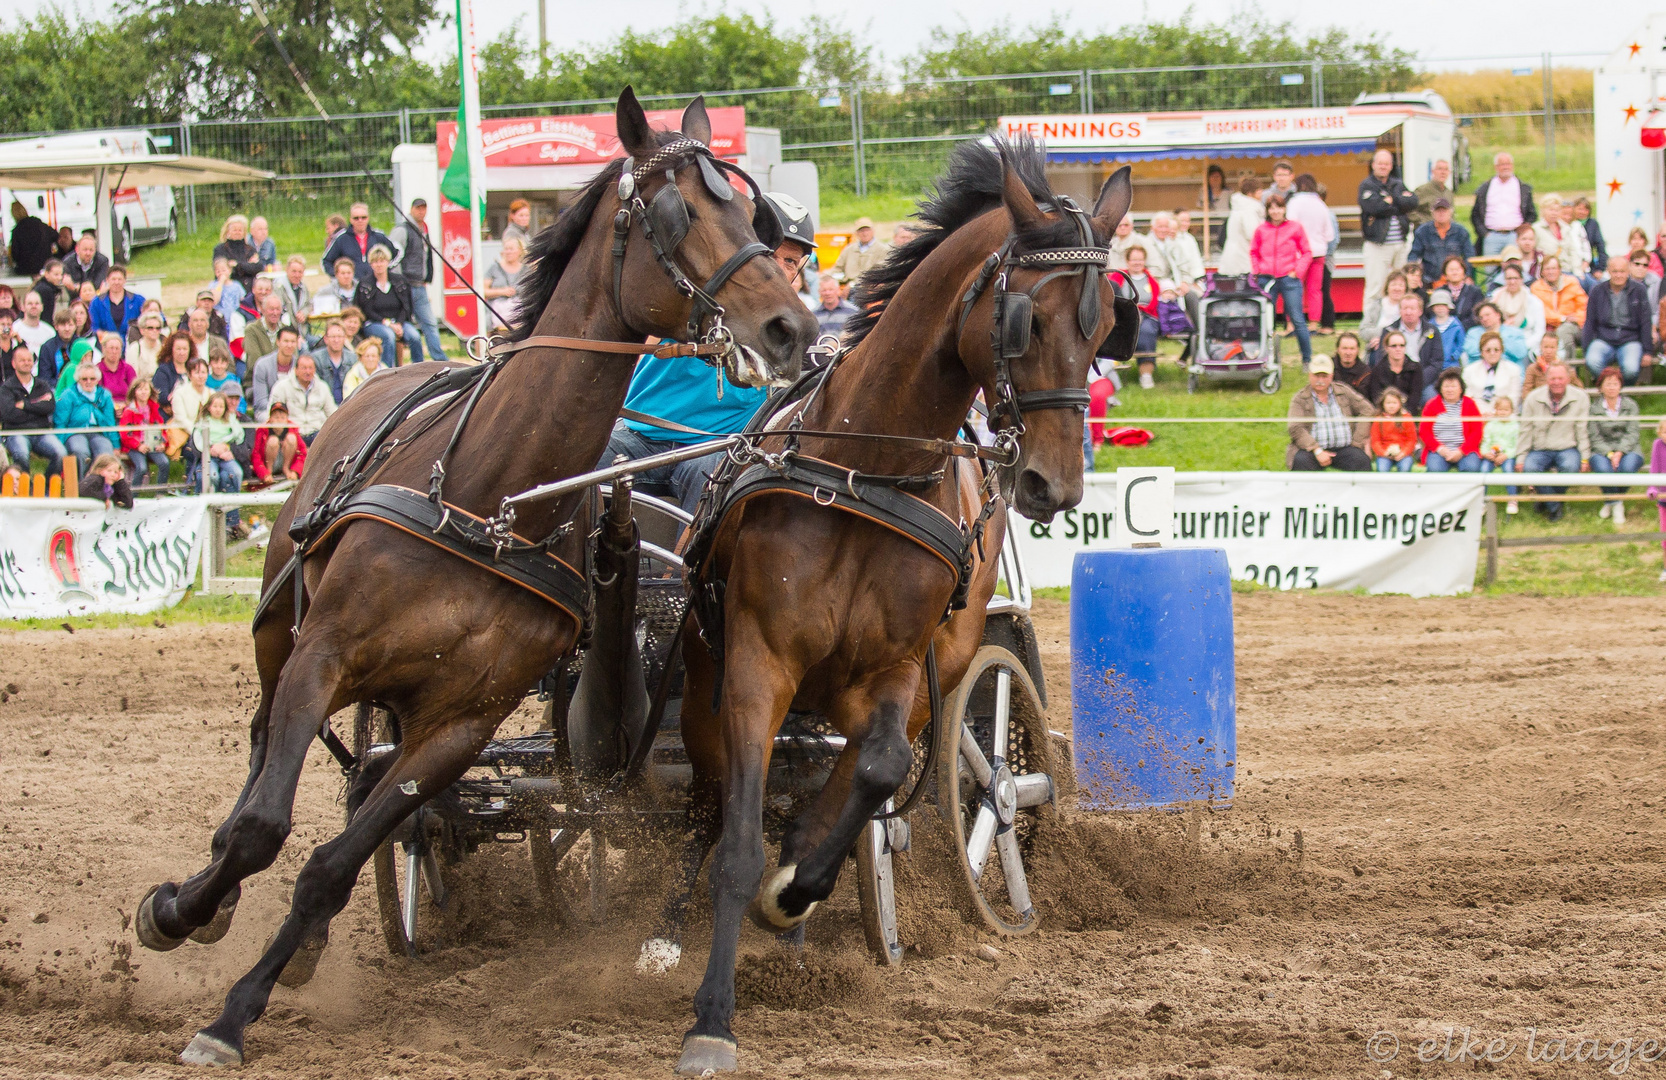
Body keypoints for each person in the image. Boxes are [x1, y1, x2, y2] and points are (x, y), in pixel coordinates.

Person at [1515, 361, 1589, 520]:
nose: (1557, 382)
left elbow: (1582, 430)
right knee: (1530, 468)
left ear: (1568, 379)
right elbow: (1525, 430)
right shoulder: (1532, 398)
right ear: (1547, 379)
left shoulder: (1580, 397)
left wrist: (1585, 458)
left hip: (1567, 447)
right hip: (1540, 448)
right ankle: (1555, 505)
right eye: (1553, 378)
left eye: (1561, 378)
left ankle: (1545, 499)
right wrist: (1521, 458)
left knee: (1570, 467)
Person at [1358, 149, 1419, 333]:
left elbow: (1413, 201)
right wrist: (1397, 204)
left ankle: (1401, 322)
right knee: (1375, 287)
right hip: (1377, 244)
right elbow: (1372, 206)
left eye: (1387, 163)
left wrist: (1392, 201)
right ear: (1374, 164)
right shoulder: (1366, 185)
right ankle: (1369, 327)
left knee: (1402, 286)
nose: (1383, 166)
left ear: (1391, 166)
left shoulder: (1397, 183)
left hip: (1400, 243)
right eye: (1380, 163)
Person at [1251, 194, 1313, 368]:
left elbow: (1307, 252)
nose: (1275, 211)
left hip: (1289, 278)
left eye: (1278, 207)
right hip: (1266, 279)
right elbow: (1254, 252)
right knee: (1264, 320)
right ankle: (1262, 356)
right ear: (1267, 210)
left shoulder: (1295, 228)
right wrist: (1257, 271)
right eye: (1271, 208)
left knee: (1297, 319)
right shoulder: (1261, 230)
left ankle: (1307, 359)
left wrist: (1298, 271)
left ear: (1284, 209)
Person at [1287, 355, 1371, 471]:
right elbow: (1295, 428)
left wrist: (1357, 441)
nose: (1320, 381)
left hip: (1345, 448)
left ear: (1331, 376)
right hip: (1312, 450)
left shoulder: (1343, 391)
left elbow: (1367, 410)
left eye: (1324, 376)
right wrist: (1316, 450)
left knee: (1361, 460)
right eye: (1316, 376)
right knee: (1301, 461)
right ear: (1309, 375)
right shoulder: (1299, 398)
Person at [390, 197, 444, 362]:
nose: (421, 211)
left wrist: (427, 279)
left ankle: (439, 359)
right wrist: (398, 282)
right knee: (406, 328)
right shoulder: (403, 229)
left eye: (423, 208)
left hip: (419, 285)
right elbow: (393, 257)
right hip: (405, 286)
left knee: (430, 324)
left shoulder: (423, 230)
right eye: (418, 208)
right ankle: (414, 362)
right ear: (412, 209)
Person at [1583, 255, 1652, 385]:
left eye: (1622, 271)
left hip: (1630, 339)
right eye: (1615, 271)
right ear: (1608, 271)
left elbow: (1645, 322)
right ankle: (1607, 387)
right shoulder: (1597, 291)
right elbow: (1590, 321)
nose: (1619, 275)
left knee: (1631, 369)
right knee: (1592, 361)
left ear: (1628, 272)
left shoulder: (1639, 290)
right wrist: (1586, 348)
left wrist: (1648, 351)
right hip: (1604, 339)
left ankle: (1619, 392)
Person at [1587, 366, 1643, 525]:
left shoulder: (1631, 405)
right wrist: (1610, 454)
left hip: (1628, 449)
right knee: (1604, 469)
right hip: (1602, 450)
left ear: (1620, 386)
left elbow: (1633, 433)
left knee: (1628, 468)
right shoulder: (1594, 408)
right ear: (1601, 386)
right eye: (1608, 383)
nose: (1612, 387)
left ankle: (1609, 501)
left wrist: (1619, 452)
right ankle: (1617, 504)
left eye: (1615, 383)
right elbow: (1594, 436)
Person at [0, 343, 65, 476]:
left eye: (29, 360)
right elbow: (9, 414)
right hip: (16, 433)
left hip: (41, 432)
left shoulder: (42, 385)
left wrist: (25, 405)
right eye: (22, 360)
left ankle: (47, 489)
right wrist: (37, 408)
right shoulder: (6, 388)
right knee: (21, 454)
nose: (26, 363)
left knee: (61, 453)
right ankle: (25, 489)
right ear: (13, 364)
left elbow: (49, 407)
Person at [354, 245, 423, 363]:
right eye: (375, 262)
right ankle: (388, 372)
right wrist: (388, 324)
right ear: (371, 264)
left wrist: (399, 324)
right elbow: (366, 310)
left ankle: (420, 369)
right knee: (388, 336)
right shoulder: (365, 284)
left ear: (388, 262)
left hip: (398, 322)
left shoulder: (400, 281)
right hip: (375, 323)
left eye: (382, 261)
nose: (379, 265)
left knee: (415, 336)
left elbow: (406, 306)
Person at [54, 362, 118, 479]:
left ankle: (102, 488)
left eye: (92, 379)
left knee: (105, 452)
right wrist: (61, 443)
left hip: (97, 432)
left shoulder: (104, 395)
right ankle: (81, 486)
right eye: (84, 379)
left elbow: (110, 423)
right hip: (75, 432)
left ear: (97, 380)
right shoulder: (68, 395)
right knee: (81, 452)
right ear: (78, 379)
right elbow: (60, 422)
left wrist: (116, 445)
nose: (88, 382)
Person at [1285, 176, 1333, 331]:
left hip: (1299, 254)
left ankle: (1292, 325)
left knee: (1293, 289)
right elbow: (1330, 234)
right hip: (1319, 252)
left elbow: (1290, 228)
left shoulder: (1294, 203)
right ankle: (1313, 324)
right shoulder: (1321, 204)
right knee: (1315, 290)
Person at [1470, 152, 1536, 257]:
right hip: (1491, 237)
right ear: (1496, 167)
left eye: (1508, 164)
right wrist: (1485, 234)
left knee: (1514, 268)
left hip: (1514, 236)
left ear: (1512, 166)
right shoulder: (1485, 188)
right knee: (1490, 271)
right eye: (1502, 164)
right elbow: (1475, 214)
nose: (1505, 167)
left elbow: (1532, 214)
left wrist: (1522, 232)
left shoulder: (1523, 188)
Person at [1419, 368, 1483, 472]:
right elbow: (1424, 432)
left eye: (1453, 386)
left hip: (1465, 450)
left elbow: (1477, 432)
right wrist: (1441, 449)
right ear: (1440, 388)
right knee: (1434, 469)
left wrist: (1461, 451)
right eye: (1446, 386)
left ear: (1461, 389)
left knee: (1471, 467)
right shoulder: (1431, 405)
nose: (1450, 390)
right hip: (1438, 451)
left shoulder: (1469, 404)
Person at [196, 391, 245, 525]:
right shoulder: (204, 421)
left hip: (225, 454)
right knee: (212, 476)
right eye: (215, 406)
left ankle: (233, 511)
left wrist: (227, 447)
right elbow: (197, 439)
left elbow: (239, 436)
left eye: (221, 406)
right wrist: (209, 449)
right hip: (209, 455)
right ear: (209, 407)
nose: (218, 410)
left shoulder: (230, 420)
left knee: (236, 473)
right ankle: (211, 511)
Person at [1117, 246, 1162, 388]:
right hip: (1123, 316)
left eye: (1140, 260)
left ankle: (1146, 374)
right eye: (1134, 260)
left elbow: (1155, 303)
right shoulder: (1118, 277)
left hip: (1147, 316)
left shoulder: (1151, 281)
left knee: (1146, 331)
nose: (1137, 263)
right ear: (1127, 261)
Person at [269, 352, 335, 443]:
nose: (308, 372)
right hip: (292, 432)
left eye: (310, 368)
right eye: (304, 368)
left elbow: (332, 413)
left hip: (316, 431)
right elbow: (273, 414)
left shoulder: (323, 387)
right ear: (296, 370)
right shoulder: (282, 387)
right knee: (290, 440)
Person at [1376, 293, 1443, 380]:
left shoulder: (1432, 331)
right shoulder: (1388, 331)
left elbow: (1437, 362)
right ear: (1400, 311)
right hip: (1394, 379)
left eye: (1412, 309)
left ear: (1420, 311)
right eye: (1405, 308)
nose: (1408, 312)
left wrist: (1420, 378)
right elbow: (1380, 359)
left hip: (1423, 379)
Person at [321, 202, 394, 282]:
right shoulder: (341, 238)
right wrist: (338, 276)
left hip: (376, 284)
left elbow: (397, 254)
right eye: (356, 218)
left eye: (363, 217)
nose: (360, 220)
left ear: (368, 218)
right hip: (352, 286)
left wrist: (385, 269)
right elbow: (326, 261)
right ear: (350, 220)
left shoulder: (379, 236)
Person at [1531, 256, 1586, 359]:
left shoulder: (1572, 283)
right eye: (1547, 269)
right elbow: (1542, 313)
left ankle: (1568, 369)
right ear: (1542, 272)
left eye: (1554, 268)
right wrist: (1562, 318)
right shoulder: (1536, 288)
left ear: (1559, 270)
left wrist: (1577, 319)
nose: (1551, 272)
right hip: (1547, 326)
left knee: (1564, 331)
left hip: (1573, 325)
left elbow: (1583, 306)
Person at [1408, 198, 1472, 284]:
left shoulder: (1461, 232)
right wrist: (1415, 275)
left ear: (1450, 212)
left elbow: (1470, 256)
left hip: (1456, 279)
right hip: (1429, 279)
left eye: (1444, 210)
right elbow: (1414, 255)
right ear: (1432, 213)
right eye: (1438, 211)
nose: (1441, 213)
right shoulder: (1422, 231)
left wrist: (1467, 276)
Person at [120, 379, 169, 486]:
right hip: (134, 447)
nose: (144, 392)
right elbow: (125, 434)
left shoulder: (154, 409)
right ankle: (134, 495)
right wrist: (138, 445)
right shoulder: (129, 411)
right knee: (141, 468)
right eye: (140, 389)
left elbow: (162, 429)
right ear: (134, 392)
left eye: (146, 389)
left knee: (164, 463)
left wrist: (162, 443)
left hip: (152, 444)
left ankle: (160, 493)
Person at [1490, 264, 1545, 355]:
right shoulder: (1496, 297)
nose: (1512, 282)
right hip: (1499, 345)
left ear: (1522, 279)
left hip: (1526, 345)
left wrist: (1523, 346)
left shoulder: (1533, 302)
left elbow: (1539, 332)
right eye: (1509, 278)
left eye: (1516, 278)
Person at [1462, 331, 1524, 413]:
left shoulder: (1513, 369)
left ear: (1501, 351)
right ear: (1481, 352)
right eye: (1488, 350)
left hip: (1504, 416)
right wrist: (1482, 414)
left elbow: (1514, 398)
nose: (1492, 353)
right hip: (1476, 416)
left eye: (1496, 350)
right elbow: (1467, 398)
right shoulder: (1469, 370)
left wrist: (1495, 414)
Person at [249, 325, 301, 421]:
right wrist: (280, 413)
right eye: (286, 341)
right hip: (268, 411)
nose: (289, 345)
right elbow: (261, 402)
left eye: (293, 342)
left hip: (295, 412)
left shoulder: (300, 366)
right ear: (278, 342)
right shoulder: (262, 365)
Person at [1479, 395, 1520, 512]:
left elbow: (1516, 445)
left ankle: (1512, 499)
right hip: (1491, 455)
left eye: (1506, 410)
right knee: (1484, 470)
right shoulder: (1490, 425)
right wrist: (1485, 453)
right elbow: (1486, 441)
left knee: (1508, 470)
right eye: (1500, 410)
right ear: (1495, 410)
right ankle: (1482, 500)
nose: (1502, 412)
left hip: (1508, 456)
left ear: (1511, 411)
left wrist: (1506, 455)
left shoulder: (1515, 425)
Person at [1217, 177, 1264, 277]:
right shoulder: (1248, 209)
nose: (1261, 195)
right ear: (1250, 194)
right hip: (1243, 257)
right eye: (1259, 192)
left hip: (1233, 256)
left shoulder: (1238, 208)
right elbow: (1252, 234)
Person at [1367, 329, 1423, 412]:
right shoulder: (1377, 370)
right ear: (1386, 348)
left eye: (1402, 345)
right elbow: (1376, 396)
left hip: (1408, 414)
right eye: (1394, 346)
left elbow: (1415, 397)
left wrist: (1405, 414)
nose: (1398, 349)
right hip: (1385, 413)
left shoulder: (1415, 368)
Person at [252, 399, 305, 482]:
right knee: (273, 440)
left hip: (287, 462)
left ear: (287, 419)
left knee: (291, 438)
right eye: (276, 417)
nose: (279, 420)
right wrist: (264, 473)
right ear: (270, 419)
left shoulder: (293, 429)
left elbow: (302, 452)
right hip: (269, 463)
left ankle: (286, 469)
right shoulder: (262, 431)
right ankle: (269, 471)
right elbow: (255, 455)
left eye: (282, 417)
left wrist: (296, 471)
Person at [1370, 385, 1418, 472]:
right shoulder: (1378, 420)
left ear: (1400, 404)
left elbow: (1412, 439)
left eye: (1394, 403)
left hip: (1404, 454)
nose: (1391, 406)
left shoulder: (1406, 418)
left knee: (1405, 468)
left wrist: (1404, 452)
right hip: (1384, 454)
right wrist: (1383, 453)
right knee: (1382, 469)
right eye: (1388, 403)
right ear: (1383, 404)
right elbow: (1375, 441)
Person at [1462, 303, 1528, 366]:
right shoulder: (1473, 333)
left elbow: (1520, 353)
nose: (1484, 319)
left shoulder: (1514, 332)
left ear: (1498, 315)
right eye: (1481, 317)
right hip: (1480, 371)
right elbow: (1471, 351)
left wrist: (1499, 340)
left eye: (1487, 315)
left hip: (1509, 370)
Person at [87, 264, 143, 339]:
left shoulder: (138, 300)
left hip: (132, 344)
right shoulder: (96, 302)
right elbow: (94, 327)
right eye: (113, 279)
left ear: (125, 280)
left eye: (119, 279)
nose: (116, 282)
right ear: (107, 280)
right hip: (105, 344)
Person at [212, 214, 264, 293]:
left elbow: (258, 267)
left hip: (249, 289)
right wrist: (247, 265)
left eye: (240, 230)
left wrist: (237, 265)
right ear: (228, 231)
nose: (237, 232)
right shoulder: (220, 249)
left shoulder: (250, 249)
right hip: (227, 289)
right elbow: (221, 270)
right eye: (234, 230)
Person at [831, 216, 889, 285]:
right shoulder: (849, 249)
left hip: (870, 286)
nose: (865, 233)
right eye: (861, 231)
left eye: (867, 230)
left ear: (873, 231)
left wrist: (854, 283)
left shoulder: (883, 250)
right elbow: (838, 268)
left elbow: (879, 273)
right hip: (848, 285)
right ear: (856, 233)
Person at [483, 236, 524, 331]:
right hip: (496, 309)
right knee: (484, 324)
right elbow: (483, 290)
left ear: (520, 251)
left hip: (520, 309)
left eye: (511, 249)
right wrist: (502, 292)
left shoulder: (526, 270)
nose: (508, 252)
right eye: (506, 249)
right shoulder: (494, 268)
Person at [1436, 255, 1485, 330]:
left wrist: (1458, 328)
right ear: (1445, 275)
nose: (1454, 272)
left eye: (1458, 269)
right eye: (1451, 270)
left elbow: (1477, 316)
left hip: (1469, 330)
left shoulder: (1475, 292)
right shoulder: (1439, 292)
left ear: (1464, 272)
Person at [310, 320, 354, 403]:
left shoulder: (353, 358)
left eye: (339, 336)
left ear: (345, 338)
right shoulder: (316, 359)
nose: (336, 340)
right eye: (333, 337)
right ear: (325, 339)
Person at [9, 201, 55, 277]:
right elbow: (55, 235)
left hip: (26, 270)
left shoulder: (17, 231)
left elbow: (15, 254)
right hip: (45, 266)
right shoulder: (39, 224)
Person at [242, 293, 287, 370]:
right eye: (271, 309)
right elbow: (254, 362)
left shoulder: (286, 330)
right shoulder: (252, 330)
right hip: (258, 377)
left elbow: (292, 359)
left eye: (277, 309)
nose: (275, 313)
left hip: (283, 377)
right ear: (263, 310)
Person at [93, 331, 136, 403]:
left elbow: (135, 392)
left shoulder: (128, 369)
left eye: (117, 348)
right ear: (103, 349)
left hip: (126, 407)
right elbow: (97, 395)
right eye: (111, 348)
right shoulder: (97, 369)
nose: (114, 351)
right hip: (105, 406)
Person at [1410, 159, 1453, 229]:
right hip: (1426, 235)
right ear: (1433, 171)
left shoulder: (1449, 193)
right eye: (1440, 169)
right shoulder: (1422, 190)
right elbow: (1410, 210)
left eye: (1446, 169)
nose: (1443, 172)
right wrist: (1423, 222)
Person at [813, 273, 858, 338]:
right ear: (819, 292)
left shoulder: (852, 311)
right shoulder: (814, 314)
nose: (827, 293)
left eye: (831, 289)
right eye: (824, 290)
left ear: (838, 290)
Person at [1572, 197, 1607, 278]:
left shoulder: (1593, 224)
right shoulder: (1570, 224)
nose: (1582, 212)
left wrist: (1600, 269)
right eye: (1579, 209)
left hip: (1589, 265)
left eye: (1585, 210)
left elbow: (1600, 246)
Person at [1332, 331, 1374, 398]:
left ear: (1358, 350)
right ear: (1337, 349)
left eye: (1352, 349)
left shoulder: (1365, 373)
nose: (1348, 353)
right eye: (1344, 348)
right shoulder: (1328, 368)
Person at [1649, 418, 1666, 582]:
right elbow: (1654, 469)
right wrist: (1652, 488)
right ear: (1659, 433)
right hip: (1664, 499)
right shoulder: (1657, 445)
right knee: (1665, 537)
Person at [276, 254, 312, 326]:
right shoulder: (279, 287)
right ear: (287, 270)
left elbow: (309, 305)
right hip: (285, 330)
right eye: (294, 271)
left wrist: (303, 313)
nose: (297, 275)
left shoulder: (304, 288)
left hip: (302, 330)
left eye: (300, 272)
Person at [209, 257, 245, 329]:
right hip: (220, 320)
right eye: (218, 271)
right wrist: (221, 283)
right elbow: (214, 300)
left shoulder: (236, 285)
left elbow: (243, 300)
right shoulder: (213, 285)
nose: (221, 273)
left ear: (230, 270)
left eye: (224, 270)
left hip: (235, 320)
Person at [14, 290, 53, 355]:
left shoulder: (50, 332)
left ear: (42, 307)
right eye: (30, 303)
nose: (34, 306)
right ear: (23, 307)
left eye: (37, 303)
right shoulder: (15, 328)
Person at [31, 258, 69, 323]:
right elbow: (46, 317)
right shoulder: (46, 291)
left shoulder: (41, 286)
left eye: (61, 274)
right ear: (47, 274)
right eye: (56, 274)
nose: (59, 278)